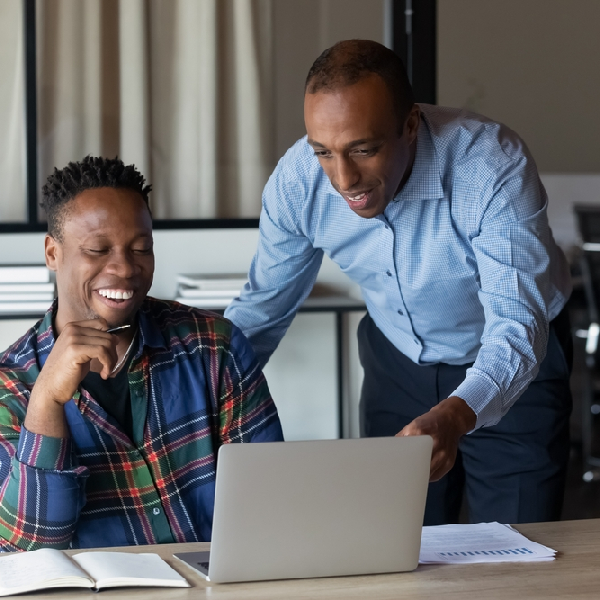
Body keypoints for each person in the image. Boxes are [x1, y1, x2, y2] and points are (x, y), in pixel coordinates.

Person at [225, 40, 573, 525]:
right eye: (323, 151)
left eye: (363, 149)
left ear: (409, 125)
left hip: (516, 367)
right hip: (396, 366)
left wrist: (457, 413)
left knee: (515, 547)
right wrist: (192, 395)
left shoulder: (490, 165)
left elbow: (516, 326)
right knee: (397, 543)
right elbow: (262, 310)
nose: (343, 179)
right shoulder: (299, 181)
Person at [0, 156, 283, 551]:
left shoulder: (214, 347)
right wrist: (45, 401)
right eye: (98, 249)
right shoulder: (9, 386)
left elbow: (273, 498)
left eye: (141, 248)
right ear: (52, 253)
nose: (125, 268)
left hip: (213, 580)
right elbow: (27, 549)